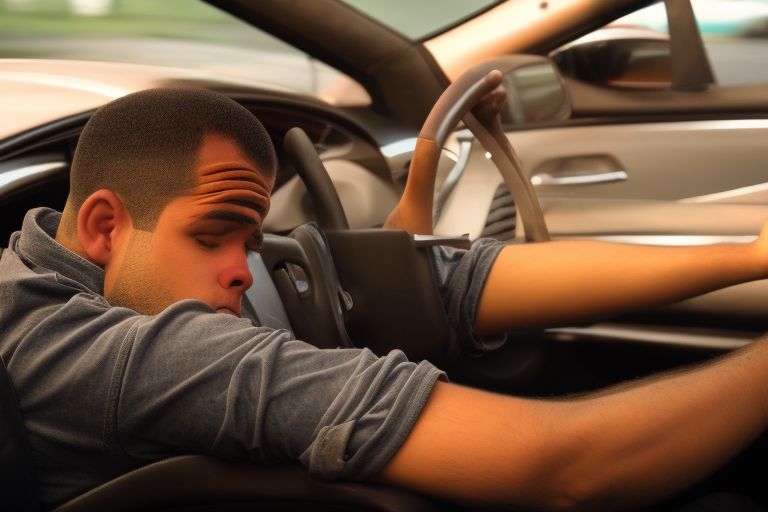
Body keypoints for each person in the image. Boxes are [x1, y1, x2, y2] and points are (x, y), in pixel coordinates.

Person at [1, 87, 768, 511]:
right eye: (214, 238)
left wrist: (750, 255)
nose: (243, 273)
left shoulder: (111, 273)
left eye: (254, 238)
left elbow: (457, 283)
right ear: (105, 225)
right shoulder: (112, 355)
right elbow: (560, 467)